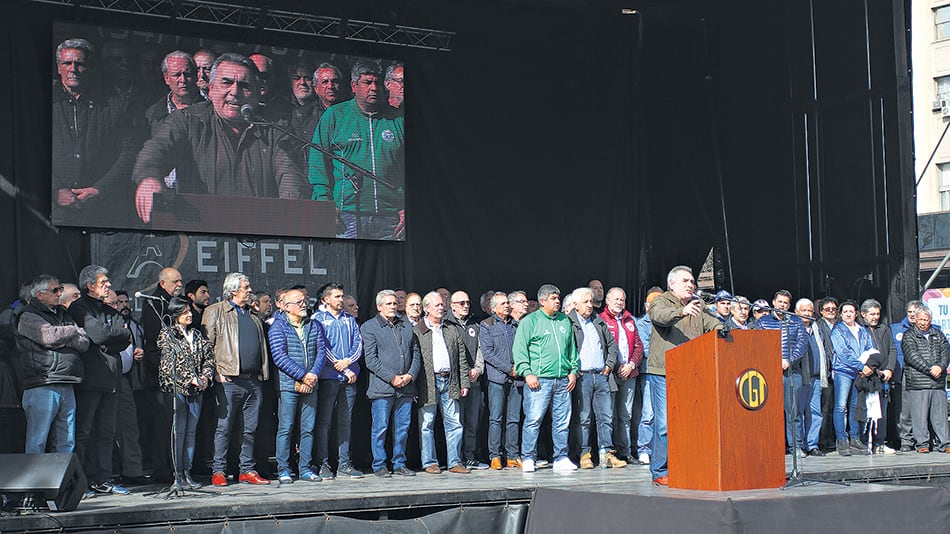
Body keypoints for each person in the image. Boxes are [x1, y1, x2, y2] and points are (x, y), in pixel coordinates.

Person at [133, 53, 308, 224]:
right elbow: (156, 151)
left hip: (259, 233)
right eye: (226, 83)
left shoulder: (274, 127)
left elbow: (290, 175)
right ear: (210, 90)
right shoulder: (187, 120)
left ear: (257, 93)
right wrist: (149, 178)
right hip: (199, 230)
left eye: (244, 86)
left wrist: (289, 212)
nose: (235, 92)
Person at [308, 60, 405, 239]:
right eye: (367, 82)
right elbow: (317, 163)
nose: (374, 88)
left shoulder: (397, 119)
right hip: (347, 216)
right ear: (354, 86)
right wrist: (324, 203)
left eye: (377, 82)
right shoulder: (335, 116)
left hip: (391, 219)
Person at [52, 38, 140, 227]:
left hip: (103, 212)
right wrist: (54, 190)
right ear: (58, 67)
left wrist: (100, 189)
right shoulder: (41, 101)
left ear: (90, 68)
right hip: (52, 211)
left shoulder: (115, 105)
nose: (73, 69)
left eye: (80, 64)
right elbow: (27, 152)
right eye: (67, 63)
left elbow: (129, 153)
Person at [646, 266, 722, 485]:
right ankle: (660, 470)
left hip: (692, 372)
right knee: (665, 424)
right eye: (685, 281)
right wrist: (681, 312)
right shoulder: (662, 301)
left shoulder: (698, 306)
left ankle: (687, 464)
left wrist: (721, 329)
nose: (691, 285)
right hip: (664, 372)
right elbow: (659, 316)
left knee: (691, 421)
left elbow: (713, 323)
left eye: (692, 282)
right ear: (672, 285)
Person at [69, 265, 133, 495]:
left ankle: (104, 478)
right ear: (90, 286)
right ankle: (81, 480)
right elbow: (100, 335)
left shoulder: (111, 310)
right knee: (84, 432)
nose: (108, 285)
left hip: (112, 379)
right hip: (90, 379)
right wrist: (111, 337)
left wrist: (110, 337)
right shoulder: (79, 307)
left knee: (107, 433)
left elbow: (126, 337)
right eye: (103, 282)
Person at [203, 272, 271, 486]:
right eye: (246, 287)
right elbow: (206, 346)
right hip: (228, 380)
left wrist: (261, 373)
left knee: (250, 428)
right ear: (233, 291)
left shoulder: (253, 316)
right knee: (223, 427)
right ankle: (219, 470)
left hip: (252, 381)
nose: (250, 290)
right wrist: (215, 372)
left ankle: (246, 469)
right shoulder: (215, 311)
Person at [15, 275, 88, 454]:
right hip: (43, 382)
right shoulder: (27, 315)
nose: (59, 294)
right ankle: (35, 482)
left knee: (67, 440)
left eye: (60, 290)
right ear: (39, 295)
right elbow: (48, 337)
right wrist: (72, 331)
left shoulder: (63, 314)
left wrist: (63, 337)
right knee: (38, 440)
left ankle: (64, 481)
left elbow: (84, 343)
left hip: (67, 380)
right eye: (55, 290)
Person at [514, 284, 578, 473]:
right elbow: (519, 350)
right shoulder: (530, 321)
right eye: (553, 298)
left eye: (558, 298)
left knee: (562, 421)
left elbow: (572, 349)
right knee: (533, 419)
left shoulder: (564, 321)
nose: (557, 301)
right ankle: (528, 457)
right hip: (539, 380)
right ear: (542, 301)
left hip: (563, 380)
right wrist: (527, 372)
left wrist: (573, 370)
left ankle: (561, 457)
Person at [269, 288, 327, 483]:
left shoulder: (315, 325)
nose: (304, 305)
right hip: (288, 385)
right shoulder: (277, 327)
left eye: (305, 301)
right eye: (298, 302)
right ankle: (284, 469)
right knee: (286, 428)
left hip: (311, 384)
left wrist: (313, 375)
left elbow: (321, 352)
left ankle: (305, 468)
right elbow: (279, 357)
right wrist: (303, 375)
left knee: (308, 428)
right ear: (286, 307)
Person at [157, 296, 215, 490]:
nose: (189, 314)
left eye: (189, 311)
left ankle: (187, 472)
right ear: (175, 315)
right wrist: (190, 378)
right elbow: (168, 365)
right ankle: (177, 473)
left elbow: (208, 358)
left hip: (196, 390)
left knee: (191, 432)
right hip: (177, 390)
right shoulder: (167, 334)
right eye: (184, 312)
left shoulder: (197, 335)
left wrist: (205, 377)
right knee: (178, 432)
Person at [362, 290, 420, 477]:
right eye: (389, 304)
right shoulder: (369, 327)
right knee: (380, 428)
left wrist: (410, 375)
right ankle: (379, 464)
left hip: (406, 387)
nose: (393, 307)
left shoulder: (406, 326)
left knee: (402, 428)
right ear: (379, 307)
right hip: (382, 388)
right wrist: (392, 377)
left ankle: (399, 463)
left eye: (395, 303)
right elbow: (370, 360)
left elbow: (416, 354)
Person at [414, 292, 471, 474]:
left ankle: (455, 462)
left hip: (450, 380)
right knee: (427, 423)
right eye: (437, 305)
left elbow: (461, 357)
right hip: (428, 383)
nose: (441, 308)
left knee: (454, 422)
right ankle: (429, 462)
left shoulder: (450, 329)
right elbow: (414, 360)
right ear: (427, 308)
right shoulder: (418, 329)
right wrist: (414, 387)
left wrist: (465, 382)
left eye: (442, 305)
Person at [568, 287, 625, 469]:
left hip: (601, 376)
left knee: (605, 417)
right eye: (585, 302)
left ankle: (607, 453)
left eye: (591, 302)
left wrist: (609, 366)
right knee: (584, 418)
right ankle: (584, 454)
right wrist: (573, 369)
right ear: (575, 305)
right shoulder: (568, 323)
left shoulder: (598, 321)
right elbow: (564, 349)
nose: (589, 305)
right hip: (582, 377)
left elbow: (612, 346)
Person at [312, 283, 364, 479]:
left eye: (342, 296)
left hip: (349, 377)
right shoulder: (317, 319)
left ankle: (344, 463)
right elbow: (320, 346)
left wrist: (348, 364)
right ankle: (323, 463)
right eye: (336, 297)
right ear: (326, 299)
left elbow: (358, 344)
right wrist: (337, 364)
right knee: (324, 422)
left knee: (345, 422)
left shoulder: (349, 319)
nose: (341, 300)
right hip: (328, 377)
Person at [141, 267, 183, 482]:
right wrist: (165, 368)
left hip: (180, 372)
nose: (179, 285)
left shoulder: (177, 302)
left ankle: (178, 467)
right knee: (162, 424)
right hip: (161, 374)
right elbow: (152, 342)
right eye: (175, 281)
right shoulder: (153, 304)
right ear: (162, 283)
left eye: (180, 281)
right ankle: (162, 468)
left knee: (177, 423)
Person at [756, 290, 809, 456]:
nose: (782, 305)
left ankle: (796, 446)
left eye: (786, 303)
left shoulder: (796, 322)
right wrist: (774, 361)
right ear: (773, 302)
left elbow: (802, 344)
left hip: (793, 372)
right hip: (770, 372)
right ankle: (773, 447)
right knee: (771, 411)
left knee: (793, 412)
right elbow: (758, 345)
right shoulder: (763, 322)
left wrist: (789, 360)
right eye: (780, 302)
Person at [599, 287, 643, 466]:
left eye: (622, 300)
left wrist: (631, 365)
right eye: (616, 299)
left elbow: (639, 346)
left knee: (626, 415)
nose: (619, 302)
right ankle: (609, 453)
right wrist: (616, 366)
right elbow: (601, 347)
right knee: (608, 416)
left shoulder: (630, 320)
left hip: (629, 374)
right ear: (607, 301)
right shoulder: (601, 320)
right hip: (610, 375)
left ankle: (626, 452)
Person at [480, 292, 522, 469]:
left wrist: (519, 368)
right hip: (498, 378)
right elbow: (488, 353)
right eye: (503, 303)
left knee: (513, 418)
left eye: (508, 303)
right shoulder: (487, 325)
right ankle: (495, 456)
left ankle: (512, 455)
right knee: (496, 418)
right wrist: (508, 369)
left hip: (516, 379)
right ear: (493, 308)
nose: (507, 306)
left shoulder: (515, 325)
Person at [829, 300, 877, 456]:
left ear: (856, 313)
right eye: (845, 312)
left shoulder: (863, 330)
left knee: (856, 406)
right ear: (841, 314)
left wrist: (868, 366)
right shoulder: (838, 330)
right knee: (841, 406)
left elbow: (870, 349)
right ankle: (842, 439)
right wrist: (860, 365)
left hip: (860, 372)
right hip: (844, 371)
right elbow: (843, 353)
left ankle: (855, 438)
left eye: (851, 311)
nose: (848, 314)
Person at [901, 304, 950, 453]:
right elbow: (912, 357)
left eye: (926, 320)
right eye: (920, 319)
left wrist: (940, 367)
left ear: (930, 320)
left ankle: (945, 443)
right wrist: (930, 369)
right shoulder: (909, 335)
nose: (923, 322)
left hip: (937, 381)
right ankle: (922, 444)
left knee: (940, 415)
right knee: (919, 416)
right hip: (918, 381)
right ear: (915, 319)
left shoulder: (938, 334)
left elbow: (945, 353)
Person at [445, 290, 486, 470]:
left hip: (474, 381)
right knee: (456, 422)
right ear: (452, 306)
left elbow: (480, 349)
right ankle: (456, 458)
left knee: (472, 421)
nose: (465, 306)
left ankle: (470, 456)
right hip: (455, 382)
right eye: (461, 303)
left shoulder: (475, 324)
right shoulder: (446, 325)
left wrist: (477, 369)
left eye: (467, 302)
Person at [110, 289, 147, 484]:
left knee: (130, 428)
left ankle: (133, 471)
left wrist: (136, 353)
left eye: (126, 301)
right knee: (106, 430)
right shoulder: (108, 323)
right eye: (119, 302)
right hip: (107, 380)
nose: (123, 305)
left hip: (127, 380)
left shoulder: (135, 326)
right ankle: (104, 475)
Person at [794, 298, 833, 457]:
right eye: (804, 310)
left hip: (817, 378)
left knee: (815, 412)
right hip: (800, 376)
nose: (807, 313)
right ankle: (799, 445)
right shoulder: (793, 328)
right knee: (798, 413)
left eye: (810, 311)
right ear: (796, 312)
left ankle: (812, 444)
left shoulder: (818, 329)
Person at [860, 299, 897, 453]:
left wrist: (889, 369)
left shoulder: (885, 329)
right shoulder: (860, 329)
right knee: (865, 410)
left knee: (882, 410)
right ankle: (865, 442)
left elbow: (892, 350)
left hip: (884, 376)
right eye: (872, 314)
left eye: (877, 314)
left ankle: (880, 442)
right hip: (867, 375)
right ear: (863, 314)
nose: (875, 317)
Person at [633, 286, 662, 465]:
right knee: (648, 412)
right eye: (654, 304)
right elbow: (645, 349)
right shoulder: (640, 324)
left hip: (668, 371)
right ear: (646, 306)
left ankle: (662, 449)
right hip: (649, 372)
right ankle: (644, 448)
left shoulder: (669, 322)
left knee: (665, 414)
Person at [144, 51, 202, 136]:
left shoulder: (211, 112)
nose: (183, 80)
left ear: (195, 76)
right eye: (177, 75)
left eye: (188, 74)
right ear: (166, 78)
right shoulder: (152, 113)